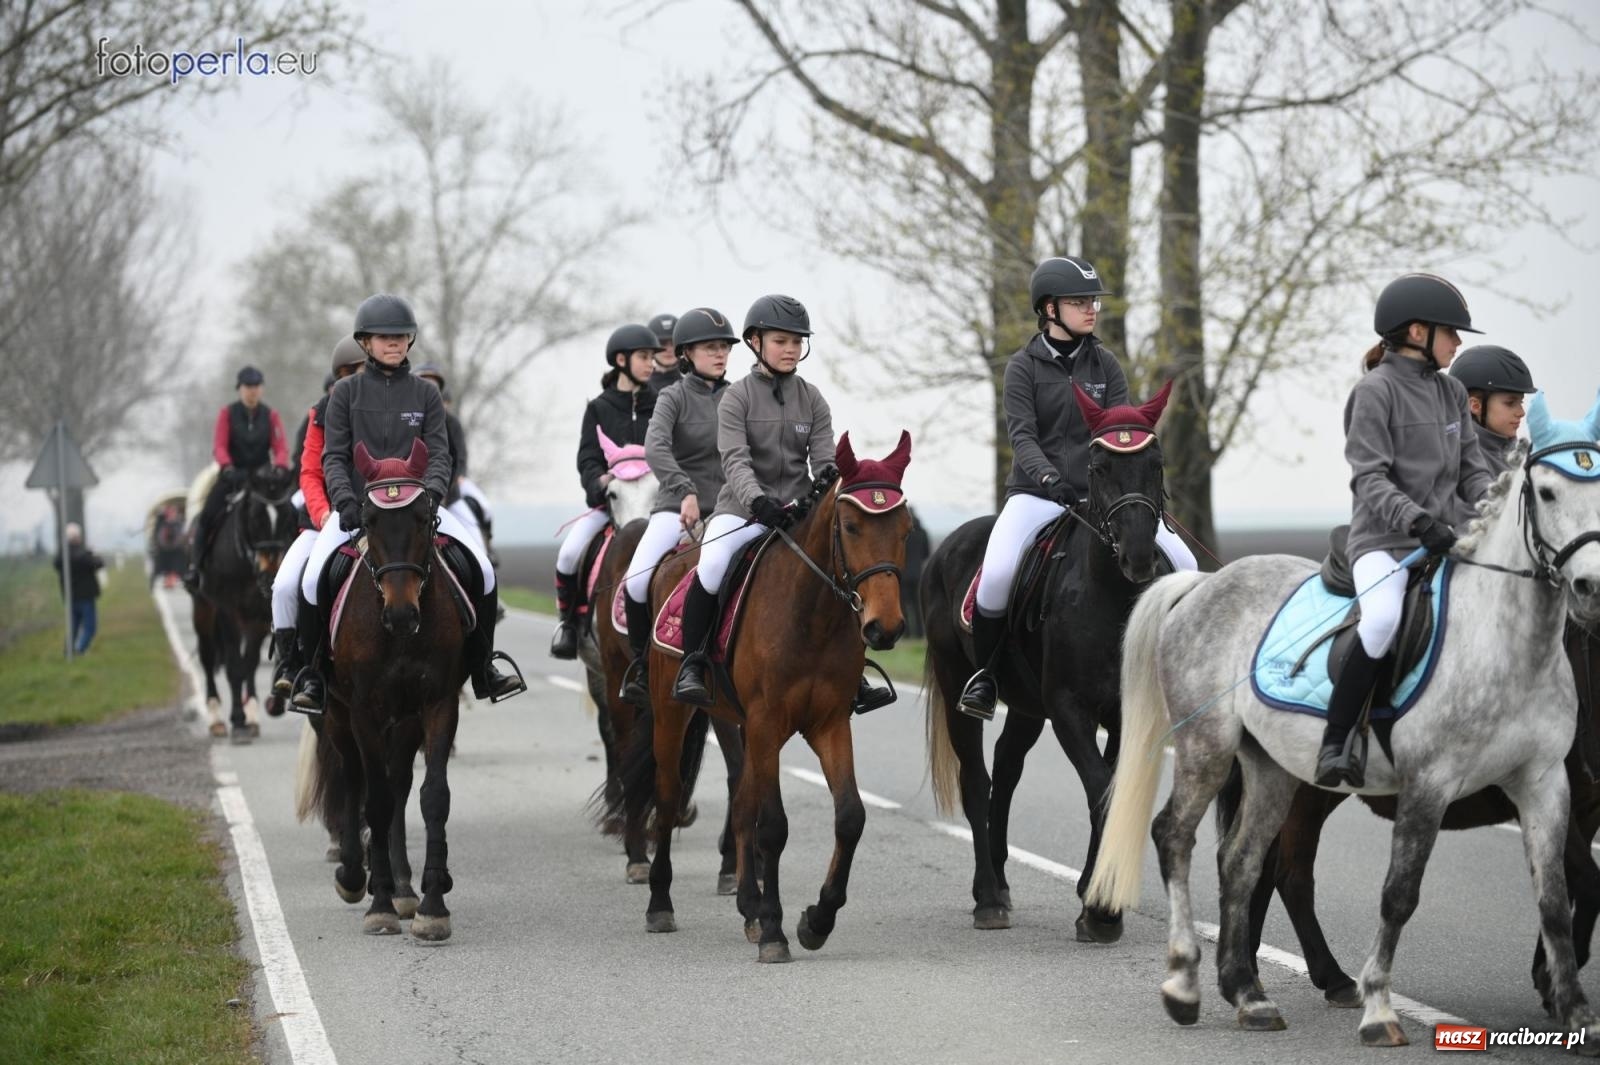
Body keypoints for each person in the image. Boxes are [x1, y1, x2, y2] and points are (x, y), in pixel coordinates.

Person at [958, 256, 1198, 719]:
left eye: (1093, 302)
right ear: (1049, 309)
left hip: (1101, 497)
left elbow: (1118, 434)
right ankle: (985, 678)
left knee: (1185, 563)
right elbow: (1022, 436)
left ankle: (1180, 672)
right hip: (1034, 494)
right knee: (1000, 574)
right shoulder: (1022, 369)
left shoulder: (1105, 364)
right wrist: (1048, 478)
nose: (1091, 309)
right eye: (1079, 301)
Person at [297, 294, 523, 709]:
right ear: (365, 342)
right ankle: (312, 676)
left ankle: (483, 667)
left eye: (401, 336)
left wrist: (433, 494)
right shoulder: (344, 395)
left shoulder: (425, 394)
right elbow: (332, 456)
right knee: (311, 580)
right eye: (385, 337)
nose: (395, 343)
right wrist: (345, 500)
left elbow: (441, 453)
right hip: (360, 510)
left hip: (419, 509)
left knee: (483, 571)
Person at [670, 294, 893, 714]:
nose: (791, 349)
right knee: (713, 563)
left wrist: (820, 489)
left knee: (839, 567)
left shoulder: (813, 399)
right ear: (755, 342)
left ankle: (853, 672)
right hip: (742, 510)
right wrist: (758, 501)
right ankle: (693, 663)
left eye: (797, 341)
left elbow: (824, 461)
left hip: (799, 512)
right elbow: (734, 459)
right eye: (780, 340)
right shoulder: (735, 398)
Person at [1315, 273, 1495, 788]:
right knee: (1381, 620)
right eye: (1453, 333)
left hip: (1449, 538)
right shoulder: (1374, 393)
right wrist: (1417, 521)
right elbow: (1369, 477)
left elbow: (1472, 470)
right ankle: (1337, 739)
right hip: (1386, 544)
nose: (1459, 343)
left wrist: (1492, 508)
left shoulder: (1453, 391)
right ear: (1418, 331)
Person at [618, 307, 736, 704]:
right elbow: (656, 447)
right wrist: (684, 489)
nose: (720, 354)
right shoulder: (672, 397)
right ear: (686, 353)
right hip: (677, 506)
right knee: (636, 579)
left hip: (731, 508)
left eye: (724, 347)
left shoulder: (740, 397)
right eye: (710, 348)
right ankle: (640, 663)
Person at [549, 323, 660, 659]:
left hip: (657, 506)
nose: (651, 364)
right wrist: (598, 483)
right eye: (644, 357)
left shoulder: (662, 403)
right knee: (568, 553)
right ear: (622, 360)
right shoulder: (599, 408)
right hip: (613, 503)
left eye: (653, 358)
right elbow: (587, 457)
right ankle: (569, 623)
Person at [269, 338, 364, 707]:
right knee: (288, 584)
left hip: (383, 517)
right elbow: (309, 472)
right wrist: (324, 512)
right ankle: (294, 666)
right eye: (350, 375)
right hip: (326, 519)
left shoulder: (387, 407)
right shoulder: (321, 412)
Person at [184, 365, 289, 590]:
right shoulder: (227, 414)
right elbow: (219, 446)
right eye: (247, 387)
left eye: (256, 387)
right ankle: (196, 567)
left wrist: (280, 467)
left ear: (261, 390)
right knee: (207, 516)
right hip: (234, 476)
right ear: (239, 389)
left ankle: (292, 565)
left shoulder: (271, 415)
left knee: (287, 512)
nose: (252, 391)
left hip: (262, 479)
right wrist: (227, 467)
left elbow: (280, 447)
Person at [1448, 344, 1537, 477]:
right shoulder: (1456, 460)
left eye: (1521, 402)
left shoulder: (1527, 457)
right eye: (1510, 403)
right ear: (1475, 406)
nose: (1521, 412)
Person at [54, 522, 104, 654]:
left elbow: (57, 564)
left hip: (70, 596)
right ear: (76, 537)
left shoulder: (62, 556)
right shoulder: (82, 555)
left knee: (74, 626)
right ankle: (79, 650)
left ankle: (68, 651)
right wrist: (92, 553)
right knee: (90, 627)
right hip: (85, 597)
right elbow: (98, 563)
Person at [646, 312, 684, 394]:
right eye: (662, 343)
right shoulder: (639, 388)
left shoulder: (693, 387)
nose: (668, 349)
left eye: (673, 343)